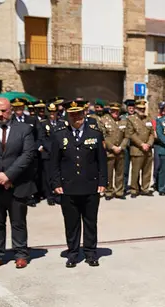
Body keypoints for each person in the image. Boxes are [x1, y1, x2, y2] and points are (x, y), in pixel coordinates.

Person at [49, 100, 107, 268]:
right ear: (68, 116)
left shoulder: (95, 134)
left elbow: (101, 161)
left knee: (90, 222)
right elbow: (54, 163)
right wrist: (56, 182)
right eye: (72, 114)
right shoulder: (59, 135)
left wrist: (103, 181)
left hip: (90, 186)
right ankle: (73, 253)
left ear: (84, 114)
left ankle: (91, 253)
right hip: (68, 187)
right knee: (71, 223)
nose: (76, 117)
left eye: (79, 114)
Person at [0, 97, 38, 269]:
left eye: (4, 110)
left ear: (11, 110)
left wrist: (9, 176)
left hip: (17, 184)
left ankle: (21, 253)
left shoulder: (25, 129)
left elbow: (27, 154)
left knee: (18, 222)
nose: (0, 114)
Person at [125, 100, 155, 198]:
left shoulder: (148, 119)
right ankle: (134, 189)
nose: (142, 110)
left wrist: (149, 144)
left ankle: (145, 189)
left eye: (143, 109)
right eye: (140, 109)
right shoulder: (130, 119)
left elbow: (151, 133)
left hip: (148, 149)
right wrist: (142, 144)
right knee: (135, 171)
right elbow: (130, 134)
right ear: (136, 109)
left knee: (147, 171)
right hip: (137, 149)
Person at [100, 103, 128, 200]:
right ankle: (108, 191)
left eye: (117, 111)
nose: (115, 112)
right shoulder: (104, 120)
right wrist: (112, 147)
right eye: (113, 111)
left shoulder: (123, 121)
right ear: (110, 111)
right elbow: (103, 136)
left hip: (120, 151)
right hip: (109, 152)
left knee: (120, 173)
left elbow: (126, 136)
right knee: (109, 173)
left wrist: (121, 147)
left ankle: (119, 191)